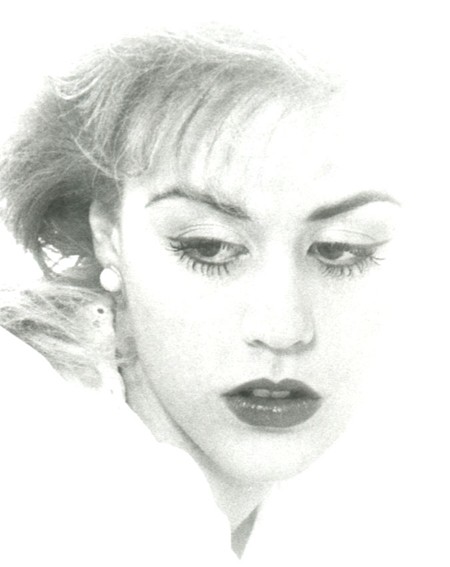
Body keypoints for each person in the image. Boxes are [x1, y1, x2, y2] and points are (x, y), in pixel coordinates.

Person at [0, 27, 405, 564]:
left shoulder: (353, 512)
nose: (282, 328)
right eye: (209, 247)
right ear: (108, 234)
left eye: (340, 250)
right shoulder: (32, 442)